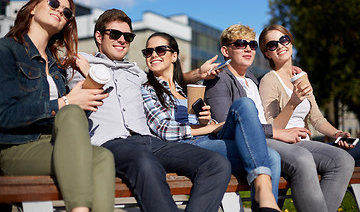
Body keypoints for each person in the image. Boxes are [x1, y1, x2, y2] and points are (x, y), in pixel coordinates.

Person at [67, 8, 232, 212]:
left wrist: (199, 73)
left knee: (216, 164)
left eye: (127, 36)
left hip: (150, 141)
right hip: (110, 143)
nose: (122, 40)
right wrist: (88, 73)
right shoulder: (78, 62)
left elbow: (170, 78)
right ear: (98, 36)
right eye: (115, 34)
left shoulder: (136, 72)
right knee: (146, 163)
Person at [204, 24, 355, 212]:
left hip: (278, 139)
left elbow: (317, 118)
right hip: (257, 143)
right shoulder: (219, 79)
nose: (248, 48)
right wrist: (279, 130)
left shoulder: (251, 79)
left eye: (252, 44)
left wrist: (338, 133)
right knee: (301, 157)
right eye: (241, 44)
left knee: (344, 159)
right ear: (225, 51)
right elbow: (228, 126)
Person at [0, 0, 115, 212]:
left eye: (67, 12)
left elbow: (71, 118)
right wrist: (66, 103)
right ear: (33, 8)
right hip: (17, 147)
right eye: (54, 4)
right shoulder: (7, 50)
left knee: (102, 157)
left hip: (55, 143)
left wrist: (87, 94)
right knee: (70, 109)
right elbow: (4, 115)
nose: (60, 11)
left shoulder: (56, 66)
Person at [140, 32, 281, 212]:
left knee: (244, 104)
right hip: (188, 145)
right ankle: (266, 202)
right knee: (271, 158)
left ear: (174, 56)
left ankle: (264, 201)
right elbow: (164, 130)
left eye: (160, 50)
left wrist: (207, 119)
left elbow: (205, 122)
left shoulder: (185, 90)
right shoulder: (148, 88)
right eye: (148, 52)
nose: (153, 55)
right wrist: (209, 127)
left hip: (209, 137)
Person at [258, 24, 360, 166]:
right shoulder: (268, 80)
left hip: (310, 145)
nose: (280, 46)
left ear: (291, 42)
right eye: (272, 45)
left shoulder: (301, 77)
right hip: (291, 149)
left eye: (284, 40)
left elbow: (317, 119)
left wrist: (338, 134)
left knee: (357, 148)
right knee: (343, 159)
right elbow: (271, 128)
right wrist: (292, 103)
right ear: (267, 53)